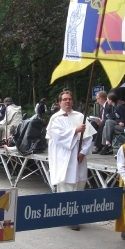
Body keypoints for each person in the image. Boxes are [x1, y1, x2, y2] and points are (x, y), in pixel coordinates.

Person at [45, 90, 96, 230]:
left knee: (79, 183)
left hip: (78, 157)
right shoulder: (55, 118)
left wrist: (83, 152)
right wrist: (75, 131)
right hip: (64, 157)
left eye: (69, 99)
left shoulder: (80, 116)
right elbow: (57, 137)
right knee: (66, 185)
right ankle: (68, 215)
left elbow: (88, 137)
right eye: (64, 99)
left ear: (72, 101)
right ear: (59, 102)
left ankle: (76, 213)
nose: (67, 101)